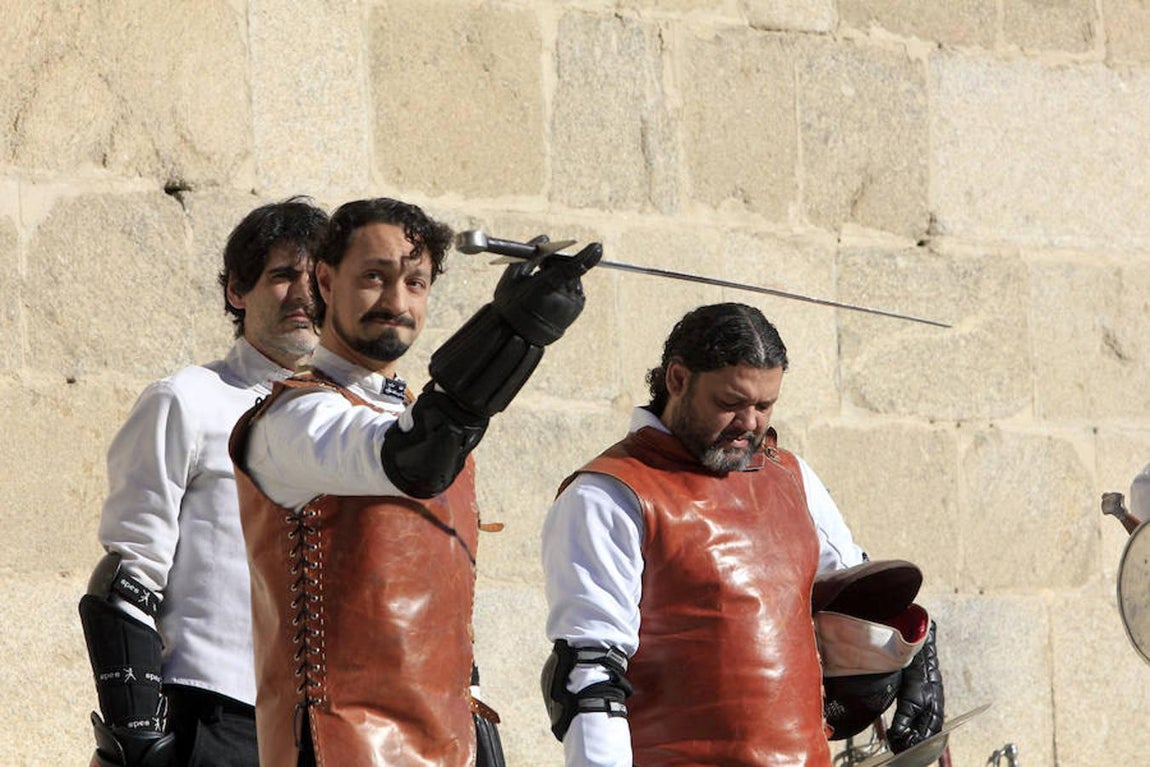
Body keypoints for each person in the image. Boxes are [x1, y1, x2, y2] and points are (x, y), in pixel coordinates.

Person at [227, 197, 601, 766]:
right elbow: (415, 457)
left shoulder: (410, 418)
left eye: (416, 282)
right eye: (374, 277)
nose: (396, 302)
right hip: (339, 746)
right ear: (326, 280)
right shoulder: (294, 419)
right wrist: (510, 331)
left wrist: (479, 730)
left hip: (452, 741)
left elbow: (432, 619)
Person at [540, 302, 945, 767]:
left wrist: (917, 645)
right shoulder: (609, 494)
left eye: (764, 405)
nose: (750, 423)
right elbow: (589, 675)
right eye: (730, 403)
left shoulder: (790, 476)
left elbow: (860, 594)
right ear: (677, 379)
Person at [78, 198, 329, 767]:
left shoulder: (362, 423)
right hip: (218, 711)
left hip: (339, 726)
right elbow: (129, 577)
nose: (304, 295)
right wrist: (136, 735)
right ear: (238, 292)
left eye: (318, 277)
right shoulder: (188, 399)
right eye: (283, 275)